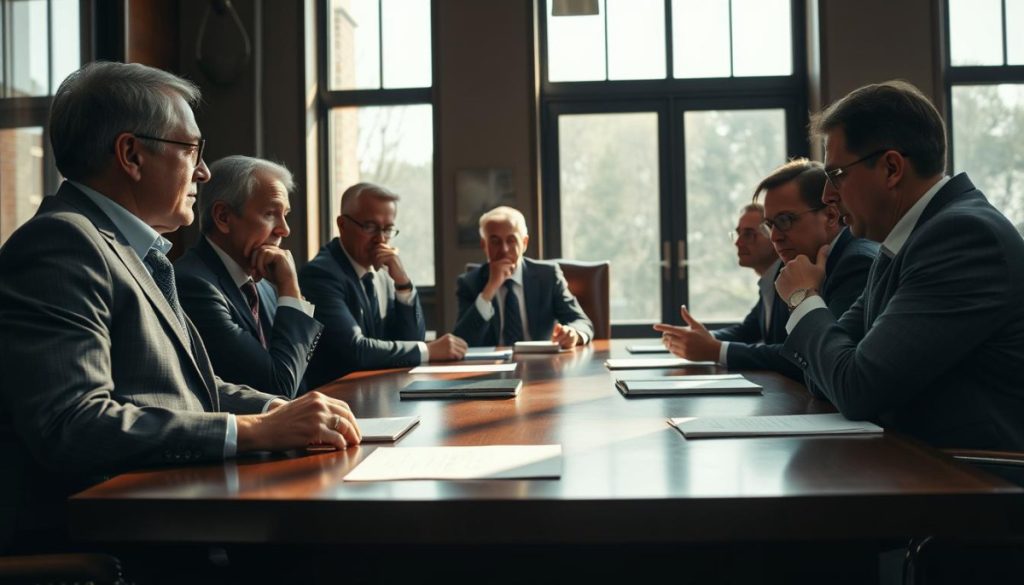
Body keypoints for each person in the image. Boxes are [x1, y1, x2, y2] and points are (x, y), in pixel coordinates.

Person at [0, 62, 360, 546]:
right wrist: (253, 430)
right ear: (131, 154)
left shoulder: (131, 249)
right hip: (121, 543)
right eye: (191, 150)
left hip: (174, 514)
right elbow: (75, 423)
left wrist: (277, 408)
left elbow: (190, 386)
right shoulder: (61, 243)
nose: (205, 171)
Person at [775, 80, 1024, 450]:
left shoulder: (962, 237)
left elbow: (857, 388)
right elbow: (825, 377)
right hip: (923, 470)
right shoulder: (904, 238)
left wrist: (802, 298)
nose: (828, 195)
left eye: (836, 175)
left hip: (977, 483)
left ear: (891, 168)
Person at [655, 160, 878, 381]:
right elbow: (754, 331)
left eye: (785, 220)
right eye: (770, 225)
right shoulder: (800, 264)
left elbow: (823, 364)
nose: (774, 237)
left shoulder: (856, 262)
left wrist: (716, 349)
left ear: (830, 216)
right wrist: (704, 342)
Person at [175, 156, 323, 399]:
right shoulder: (193, 285)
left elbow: (300, 379)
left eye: (285, 214)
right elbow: (278, 389)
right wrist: (290, 288)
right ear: (223, 217)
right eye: (270, 214)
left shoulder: (263, 283)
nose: (284, 229)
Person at [300, 183, 467, 386]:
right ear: (342, 225)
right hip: (336, 399)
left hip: (378, 391)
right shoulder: (320, 275)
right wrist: (428, 350)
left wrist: (403, 283)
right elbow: (355, 351)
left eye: (387, 229)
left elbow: (411, 338)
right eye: (370, 227)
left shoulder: (382, 273)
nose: (380, 240)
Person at [453, 206, 594, 348]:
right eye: (495, 241)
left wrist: (574, 334)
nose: (504, 249)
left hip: (542, 365)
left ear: (524, 243)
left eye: (511, 240)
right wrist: (489, 290)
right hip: (493, 366)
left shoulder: (548, 276)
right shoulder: (469, 283)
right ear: (484, 245)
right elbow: (462, 341)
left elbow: (581, 321)